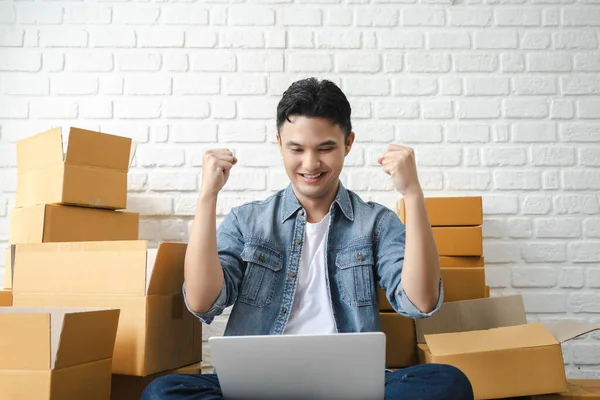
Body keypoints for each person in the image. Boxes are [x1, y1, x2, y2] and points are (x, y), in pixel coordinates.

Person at [142, 78, 474, 400]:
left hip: (350, 386)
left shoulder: (375, 223)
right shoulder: (247, 220)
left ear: (348, 143)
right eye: (297, 149)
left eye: (325, 148)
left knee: (448, 382)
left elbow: (421, 301)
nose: (310, 163)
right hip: (255, 386)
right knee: (162, 393)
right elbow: (202, 302)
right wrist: (207, 196)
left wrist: (412, 194)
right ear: (279, 144)